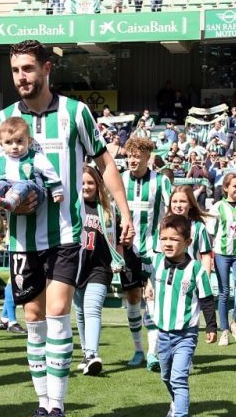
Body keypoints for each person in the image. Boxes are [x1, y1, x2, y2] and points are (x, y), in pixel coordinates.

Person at [0, 40, 134, 417]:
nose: (21, 78)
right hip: (21, 238)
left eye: (28, 69)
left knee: (58, 310)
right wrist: (4, 199)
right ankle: (43, 404)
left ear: (47, 69)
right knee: (33, 320)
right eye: (16, 71)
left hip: (66, 234)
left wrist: (125, 212)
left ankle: (60, 412)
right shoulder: (2, 122)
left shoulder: (75, 113)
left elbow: (105, 163)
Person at [143, 215, 215, 417]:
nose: (167, 243)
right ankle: (175, 402)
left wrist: (211, 326)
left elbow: (206, 299)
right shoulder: (155, 263)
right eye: (163, 238)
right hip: (162, 333)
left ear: (187, 242)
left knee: (179, 377)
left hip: (186, 334)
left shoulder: (196, 269)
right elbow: (139, 269)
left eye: (174, 239)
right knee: (166, 375)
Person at [120, 136, 172, 371]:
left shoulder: (161, 182)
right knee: (132, 298)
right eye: (130, 155)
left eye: (137, 156)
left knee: (151, 299)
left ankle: (153, 352)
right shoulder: (120, 180)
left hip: (154, 249)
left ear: (147, 158)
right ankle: (138, 349)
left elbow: (173, 211)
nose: (132, 160)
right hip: (128, 249)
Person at [74, 166, 124, 376]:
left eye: (91, 183)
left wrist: (118, 259)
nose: (86, 187)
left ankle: (92, 353)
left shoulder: (108, 210)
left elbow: (120, 239)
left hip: (100, 268)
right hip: (75, 267)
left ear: (98, 186)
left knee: (93, 309)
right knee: (80, 313)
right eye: (82, 183)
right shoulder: (71, 208)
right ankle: (87, 353)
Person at [0, 118, 64, 213]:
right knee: (0, 184)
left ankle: (11, 202)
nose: (14, 146)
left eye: (19, 141)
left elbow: (49, 171)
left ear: (29, 141)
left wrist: (57, 191)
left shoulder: (35, 157)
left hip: (34, 194)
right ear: (1, 143)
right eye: (8, 142)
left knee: (24, 183)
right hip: (10, 192)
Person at [161, 185, 216, 343]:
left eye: (183, 201)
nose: (178, 205)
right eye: (175, 201)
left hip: (188, 279)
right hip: (168, 277)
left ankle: (186, 352)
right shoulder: (164, 225)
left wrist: (204, 278)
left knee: (188, 315)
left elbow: (205, 255)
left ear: (191, 204)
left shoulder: (198, 228)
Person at [211, 173, 236, 346]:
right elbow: (211, 234)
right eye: (234, 186)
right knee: (224, 292)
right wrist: (209, 256)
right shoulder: (217, 207)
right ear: (226, 188)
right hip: (221, 253)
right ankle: (225, 330)